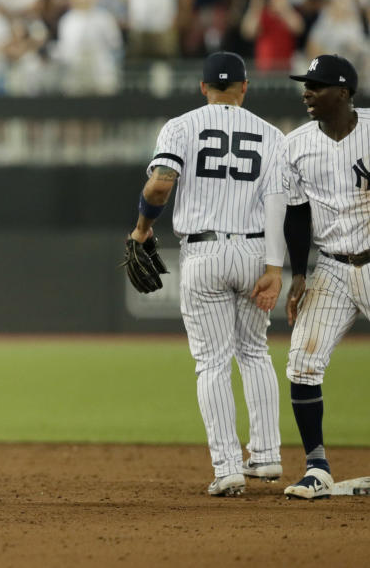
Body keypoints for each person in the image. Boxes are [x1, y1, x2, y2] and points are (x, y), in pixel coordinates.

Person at [126, 52, 286, 496]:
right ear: (245, 87)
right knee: (254, 351)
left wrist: (142, 229)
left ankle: (228, 467)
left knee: (213, 361)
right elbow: (278, 205)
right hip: (256, 249)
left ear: (202, 87)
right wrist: (276, 267)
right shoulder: (272, 135)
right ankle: (268, 456)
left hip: (204, 251)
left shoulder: (181, 126)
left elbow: (160, 183)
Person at [281, 54, 367, 500]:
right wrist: (298, 273)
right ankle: (317, 467)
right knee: (302, 363)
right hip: (331, 266)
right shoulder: (295, 145)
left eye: (317, 85)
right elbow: (296, 215)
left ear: (345, 93)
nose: (307, 92)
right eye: (305, 84)